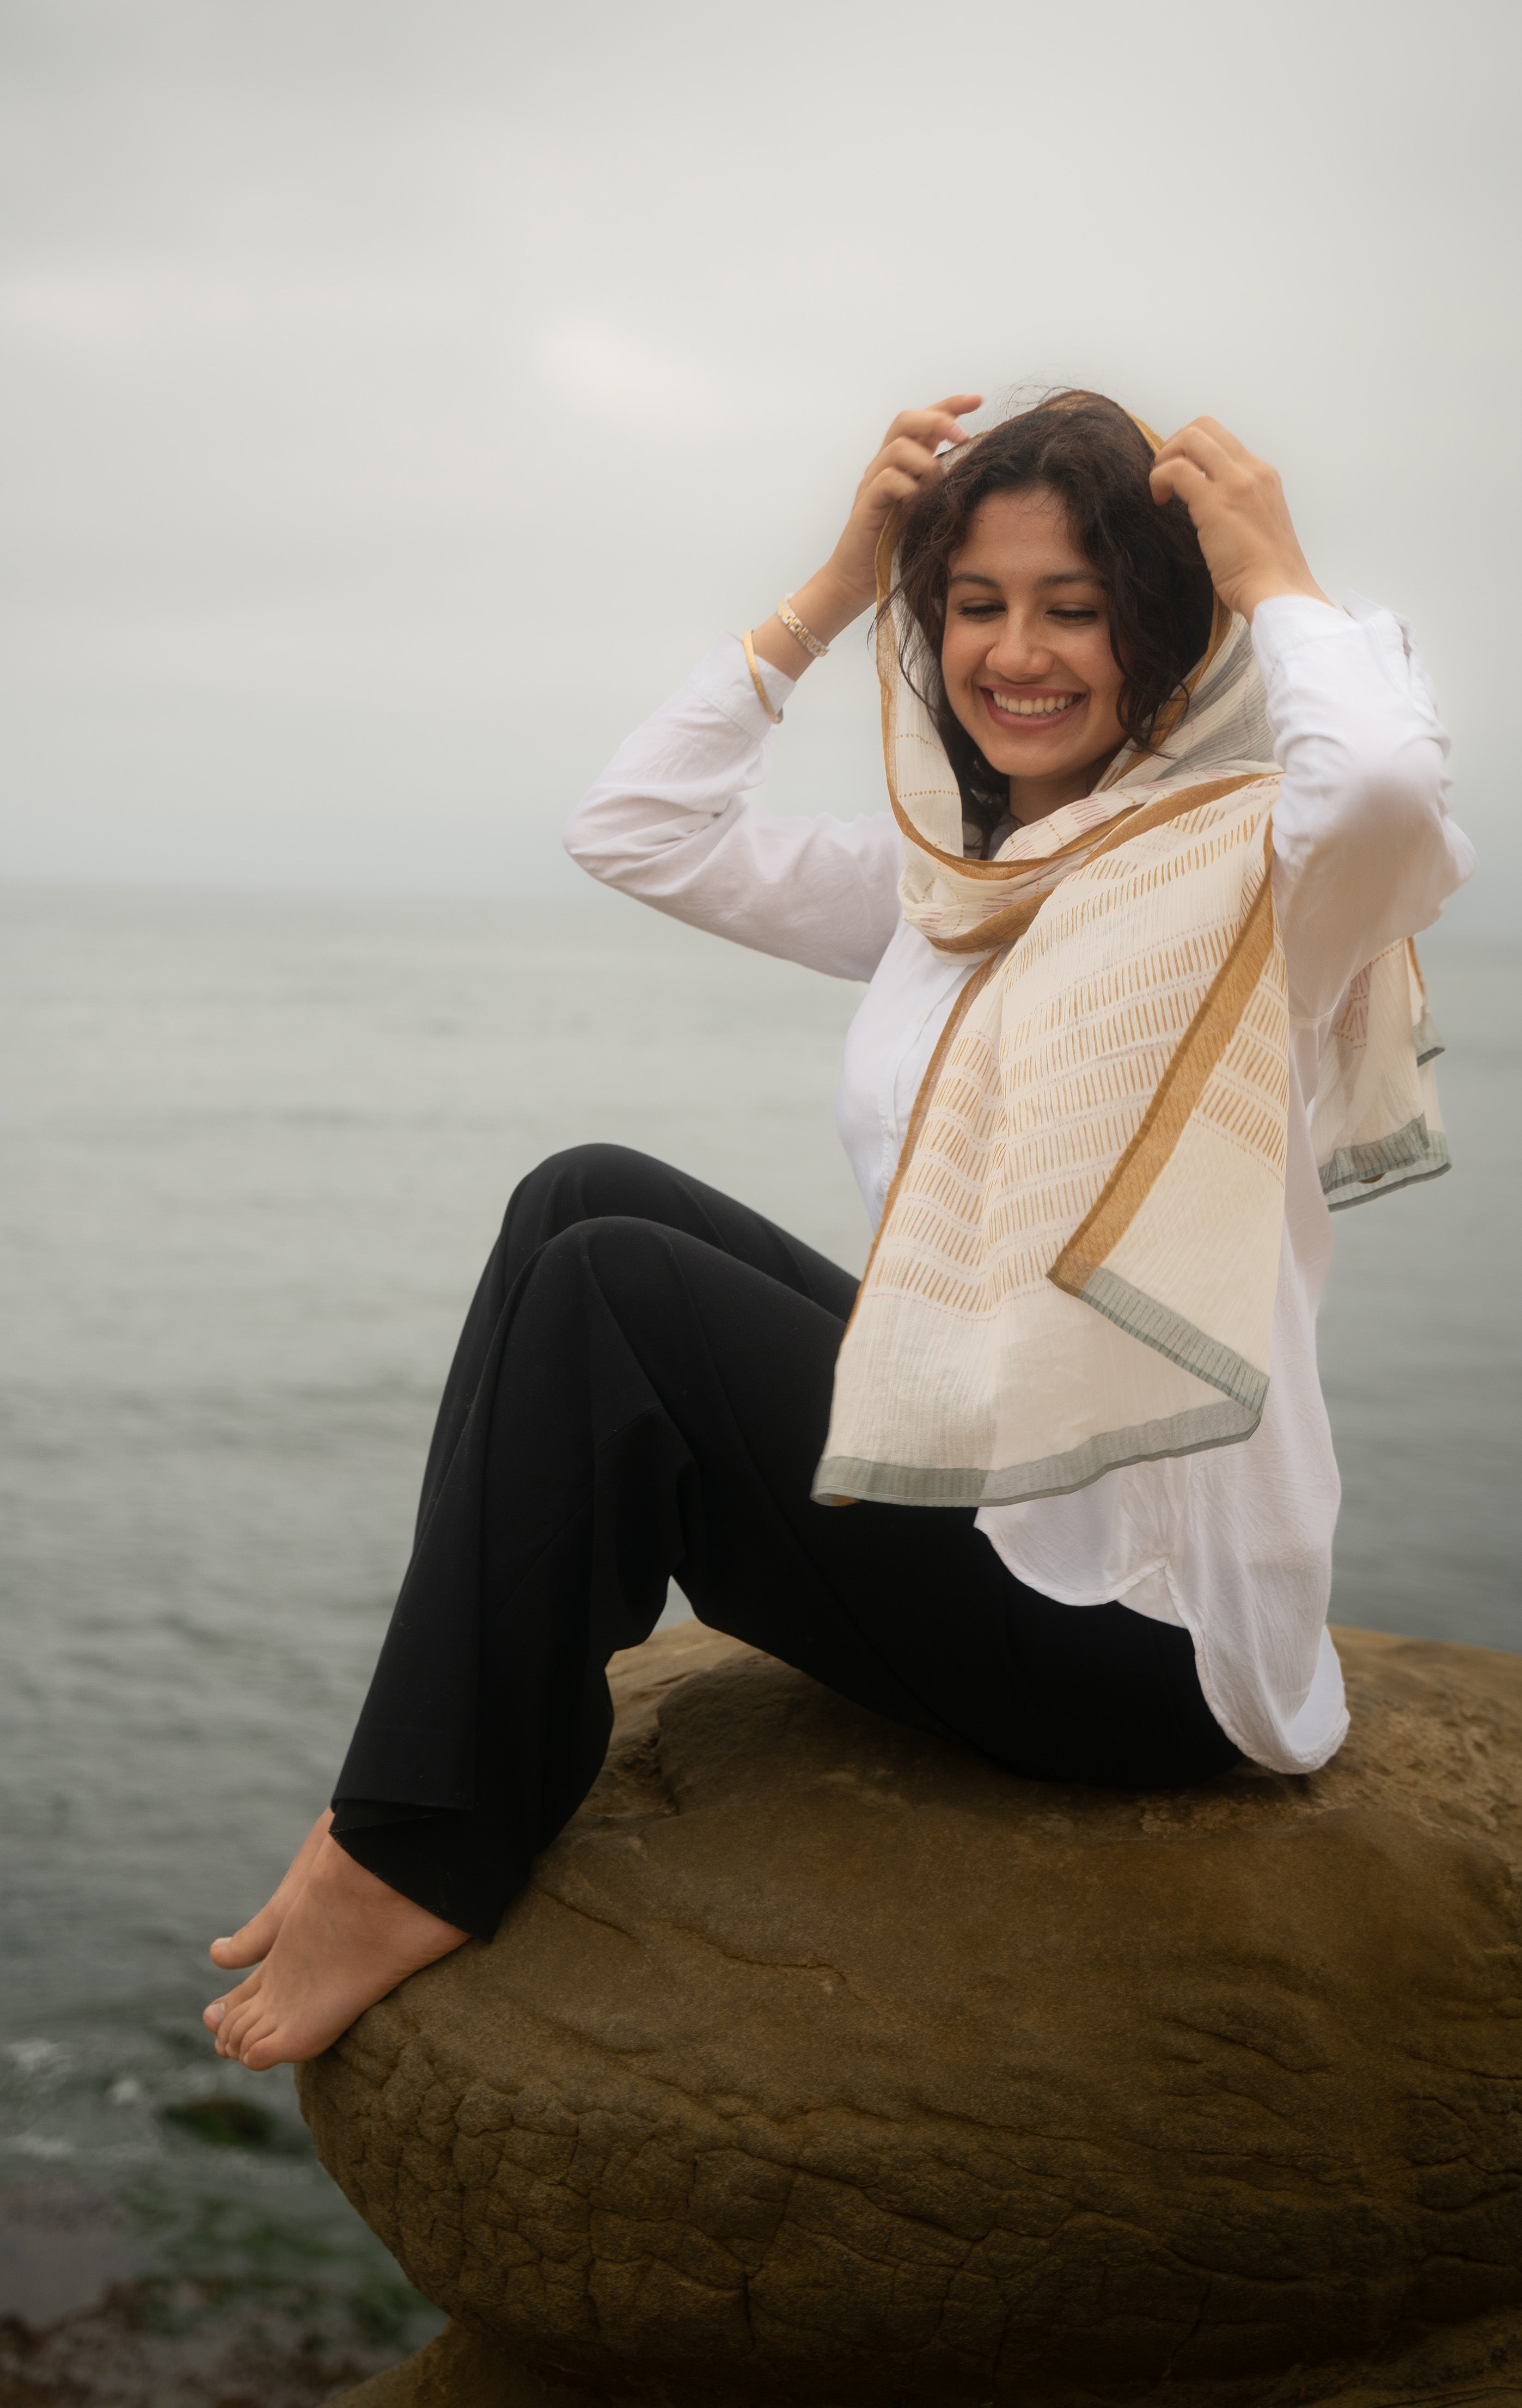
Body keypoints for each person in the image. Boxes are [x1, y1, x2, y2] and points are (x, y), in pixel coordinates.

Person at [203, 389, 1472, 2072]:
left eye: (1075, 609)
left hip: (1135, 1648)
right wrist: (832, 582)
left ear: (1163, 628)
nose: (1016, 653)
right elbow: (634, 831)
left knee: (613, 1297)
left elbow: (1382, 779)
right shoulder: (962, 885)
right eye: (974, 604)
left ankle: (418, 1841)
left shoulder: (1254, 881)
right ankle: (410, 1782)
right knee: (580, 1196)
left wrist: (1278, 574)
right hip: (991, 1510)